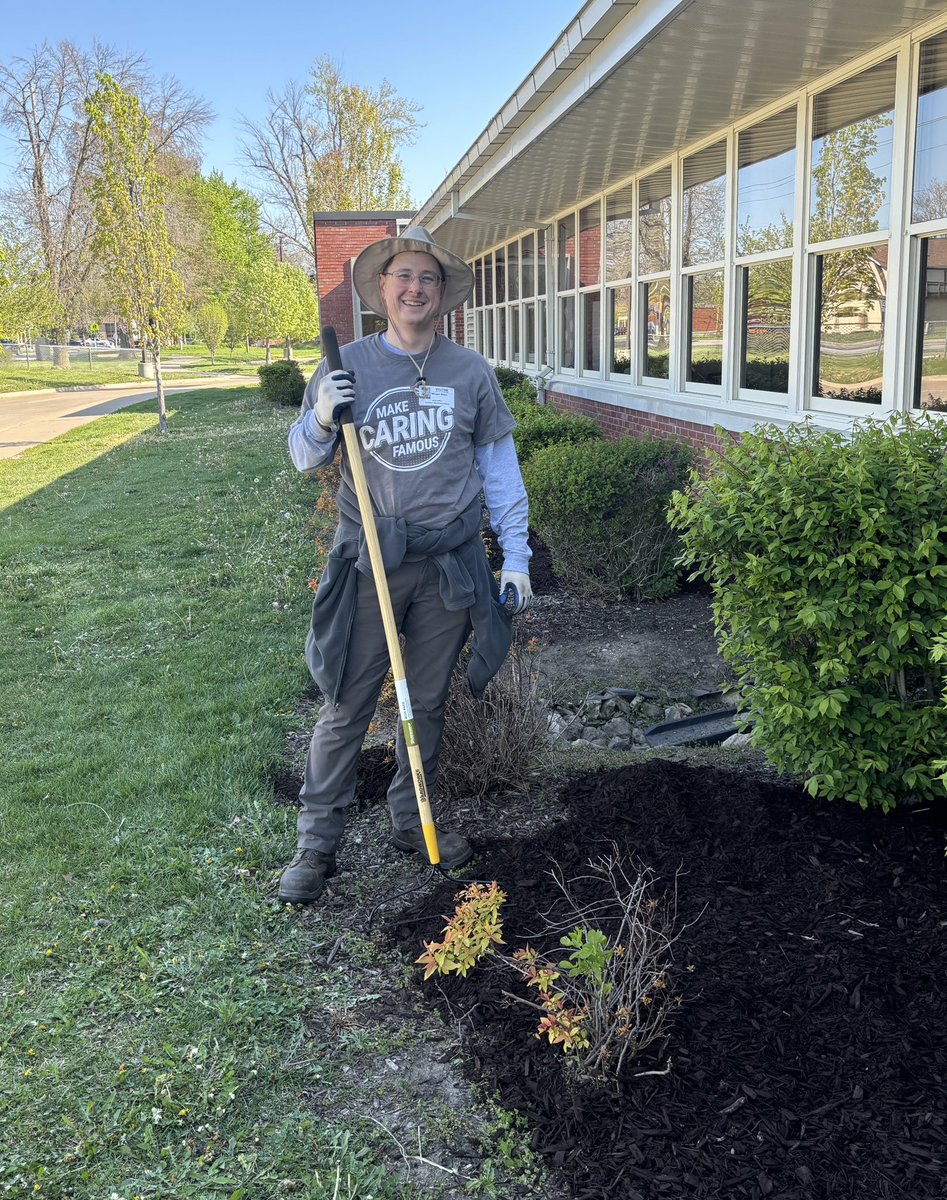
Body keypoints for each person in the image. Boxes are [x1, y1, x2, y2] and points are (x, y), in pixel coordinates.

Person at [278, 227, 532, 905]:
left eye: (427, 278)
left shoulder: (469, 372)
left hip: (447, 563)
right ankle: (316, 842)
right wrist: (323, 418)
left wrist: (515, 555)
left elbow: (498, 471)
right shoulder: (347, 365)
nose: (415, 288)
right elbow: (303, 458)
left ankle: (408, 820)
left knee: (427, 705)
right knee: (345, 704)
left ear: (441, 293)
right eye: (403, 278)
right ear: (382, 291)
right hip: (371, 565)